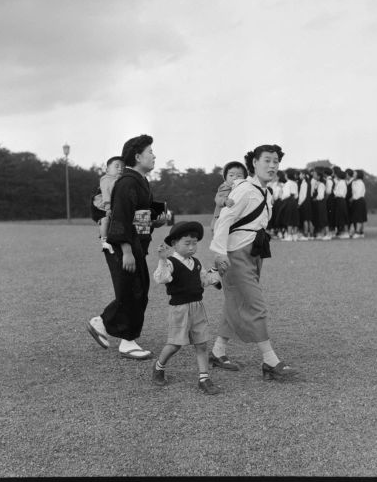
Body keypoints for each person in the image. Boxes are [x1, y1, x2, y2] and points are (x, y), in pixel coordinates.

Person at [209, 144, 299, 382]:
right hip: (236, 255)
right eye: (267, 160)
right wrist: (220, 253)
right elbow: (224, 220)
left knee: (235, 301)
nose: (272, 165)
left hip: (254, 252)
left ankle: (217, 352)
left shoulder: (266, 192)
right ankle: (270, 361)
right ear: (254, 163)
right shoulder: (245, 189)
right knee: (255, 305)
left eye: (276, 161)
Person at [87, 134, 166, 359]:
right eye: (150, 152)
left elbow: (138, 217)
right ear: (137, 156)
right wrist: (127, 251)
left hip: (135, 243)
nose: (154, 156)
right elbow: (121, 217)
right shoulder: (128, 182)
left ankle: (105, 325)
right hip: (124, 246)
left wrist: (155, 221)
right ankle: (125, 339)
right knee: (133, 291)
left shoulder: (139, 181)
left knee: (136, 290)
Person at [151, 221, 222, 395]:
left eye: (195, 243)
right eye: (187, 243)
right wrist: (162, 259)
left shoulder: (196, 263)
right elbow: (161, 278)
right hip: (180, 309)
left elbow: (204, 280)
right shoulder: (171, 262)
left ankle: (204, 379)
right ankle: (159, 366)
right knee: (175, 344)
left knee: (202, 344)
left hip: (198, 308)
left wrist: (218, 273)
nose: (192, 247)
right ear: (174, 244)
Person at [91, 156, 124, 252]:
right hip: (100, 204)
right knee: (105, 220)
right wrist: (108, 207)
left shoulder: (119, 180)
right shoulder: (106, 179)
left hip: (108, 205)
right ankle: (104, 241)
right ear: (107, 170)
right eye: (117, 166)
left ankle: (108, 239)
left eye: (122, 167)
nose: (120, 169)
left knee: (109, 221)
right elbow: (106, 193)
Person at [210, 161, 248, 232]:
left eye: (239, 176)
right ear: (226, 177)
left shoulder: (243, 189)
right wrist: (225, 201)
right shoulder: (225, 187)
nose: (235, 178)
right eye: (231, 175)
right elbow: (218, 199)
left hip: (233, 221)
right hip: (220, 221)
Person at [279, 168, 300, 241]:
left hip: (288, 201)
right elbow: (297, 195)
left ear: (288, 175)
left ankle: (289, 235)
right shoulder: (295, 183)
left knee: (289, 219)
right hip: (294, 200)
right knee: (294, 218)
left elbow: (286, 194)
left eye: (285, 174)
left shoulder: (287, 184)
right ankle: (295, 235)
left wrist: (282, 198)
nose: (285, 176)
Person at [311, 167, 329, 240]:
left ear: (319, 176)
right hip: (319, 203)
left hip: (321, 203)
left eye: (314, 174)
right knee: (320, 218)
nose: (313, 175)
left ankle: (327, 234)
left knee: (323, 218)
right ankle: (322, 234)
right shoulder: (317, 183)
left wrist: (315, 198)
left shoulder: (321, 184)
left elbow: (321, 196)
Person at [350, 169, 367, 238]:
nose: (353, 174)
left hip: (359, 200)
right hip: (355, 201)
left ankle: (358, 232)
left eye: (354, 173)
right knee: (356, 217)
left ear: (358, 175)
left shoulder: (360, 183)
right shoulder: (354, 182)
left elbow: (358, 193)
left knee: (359, 217)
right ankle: (360, 232)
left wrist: (353, 198)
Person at [333, 167, 350, 239]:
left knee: (342, 216)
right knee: (340, 217)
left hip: (340, 200)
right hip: (340, 200)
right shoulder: (342, 182)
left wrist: (334, 192)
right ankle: (342, 232)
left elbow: (339, 193)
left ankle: (345, 233)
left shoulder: (341, 183)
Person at [297, 169, 313, 240]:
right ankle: (311, 234)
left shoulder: (304, 183)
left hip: (304, 202)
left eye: (300, 174)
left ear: (304, 175)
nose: (299, 175)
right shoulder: (308, 182)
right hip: (308, 202)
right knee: (309, 219)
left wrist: (299, 203)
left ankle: (306, 234)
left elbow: (302, 195)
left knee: (305, 219)